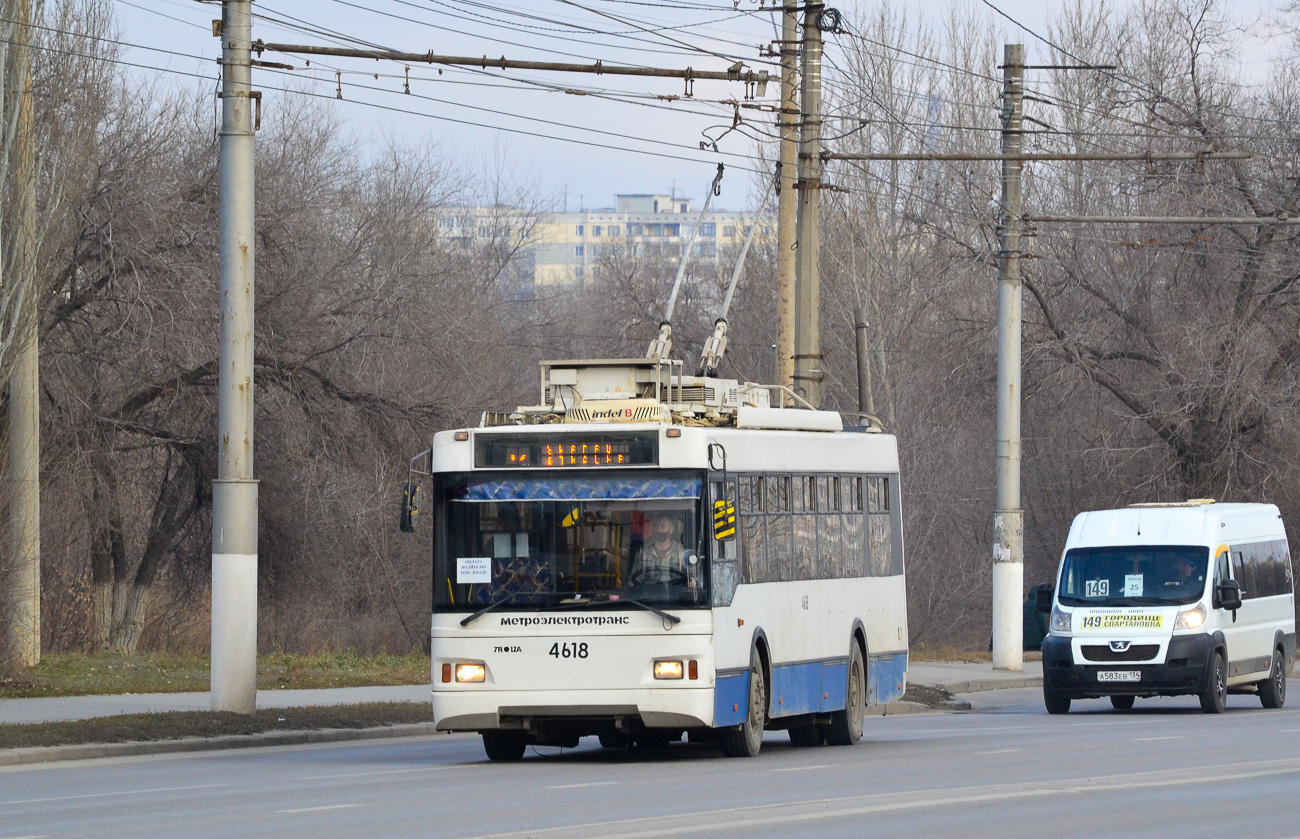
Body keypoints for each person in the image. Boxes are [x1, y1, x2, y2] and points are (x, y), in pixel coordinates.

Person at [629, 513, 698, 588]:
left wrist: (694, 582)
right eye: (656, 526)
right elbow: (632, 582)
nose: (658, 529)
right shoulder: (642, 554)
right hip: (648, 596)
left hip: (677, 596)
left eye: (662, 526)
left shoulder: (681, 553)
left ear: (671, 530)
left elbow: (695, 577)